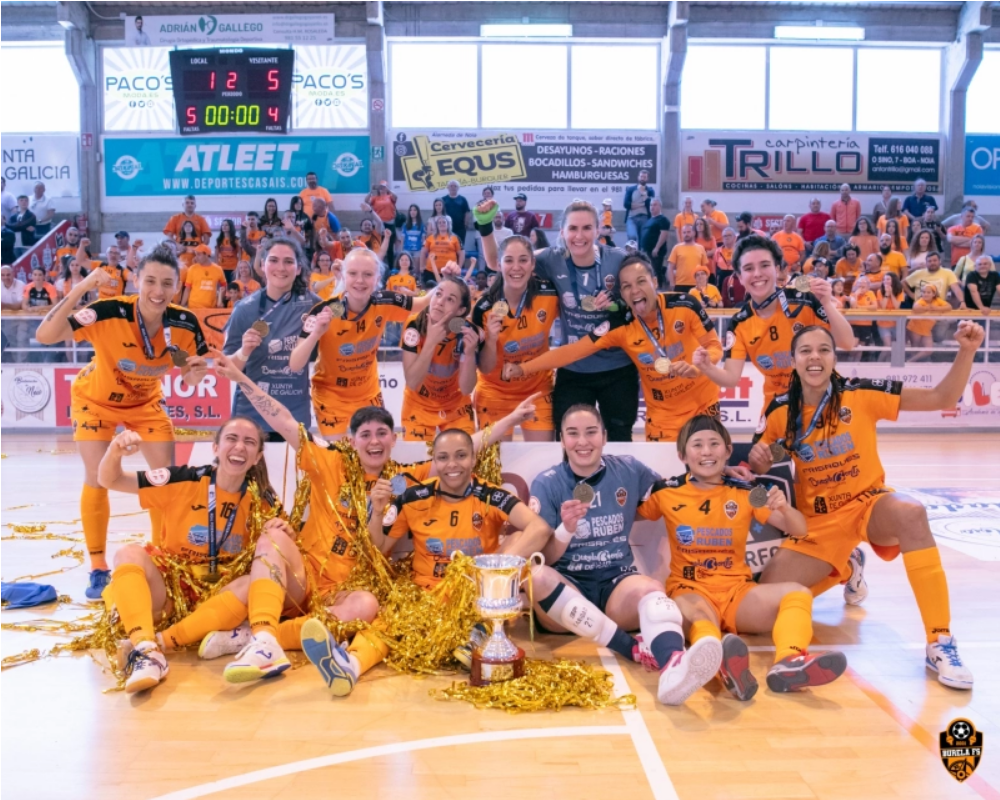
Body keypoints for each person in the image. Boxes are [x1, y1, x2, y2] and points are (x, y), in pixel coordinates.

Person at [750, 322, 985, 689]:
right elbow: (765, 463)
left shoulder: (861, 393)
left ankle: (939, 640)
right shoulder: (780, 411)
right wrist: (761, 457)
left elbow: (941, 398)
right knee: (767, 609)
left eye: (824, 350)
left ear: (834, 357)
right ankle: (846, 566)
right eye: (806, 351)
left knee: (911, 513)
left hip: (866, 505)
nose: (815, 357)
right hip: (818, 524)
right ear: (793, 360)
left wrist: (967, 351)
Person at [34, 245, 210, 599]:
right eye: (150, 281)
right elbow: (45, 336)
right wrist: (82, 287)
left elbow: (192, 379)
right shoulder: (106, 312)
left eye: (166, 283)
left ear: (177, 286)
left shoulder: (185, 323)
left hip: (145, 403)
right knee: (97, 478)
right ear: (137, 281)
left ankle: (163, 559)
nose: (157, 291)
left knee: (164, 483)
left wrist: (193, 374)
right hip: (95, 401)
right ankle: (98, 568)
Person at [638, 415, 845, 699]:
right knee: (701, 623)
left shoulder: (747, 492)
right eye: (697, 445)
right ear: (682, 454)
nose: (707, 451)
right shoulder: (666, 491)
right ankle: (720, 663)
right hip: (690, 589)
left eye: (714, 444)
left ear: (727, 450)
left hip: (738, 592)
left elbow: (799, 529)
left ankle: (789, 662)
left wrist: (784, 508)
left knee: (797, 594)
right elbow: (632, 514)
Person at [527, 405, 716, 705]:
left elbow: (675, 490)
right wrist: (566, 529)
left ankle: (674, 667)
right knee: (537, 577)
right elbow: (545, 558)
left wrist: (721, 472)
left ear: (604, 436)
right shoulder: (547, 482)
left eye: (591, 432)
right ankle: (632, 648)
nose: (583, 442)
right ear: (562, 440)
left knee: (653, 590)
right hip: (568, 592)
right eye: (573, 434)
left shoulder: (628, 469)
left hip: (616, 584)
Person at [96, 419, 280, 693]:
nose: (239, 446)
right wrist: (114, 451)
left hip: (220, 595)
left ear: (258, 456)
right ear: (216, 447)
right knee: (128, 553)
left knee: (250, 583)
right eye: (231, 438)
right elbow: (109, 480)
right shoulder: (183, 478)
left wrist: (282, 528)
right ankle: (146, 649)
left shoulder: (263, 501)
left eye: (249, 442)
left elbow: (283, 552)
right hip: (171, 589)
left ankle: (162, 643)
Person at [508, 255, 723, 442]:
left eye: (641, 281)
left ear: (655, 281)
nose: (635, 290)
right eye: (627, 286)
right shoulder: (620, 325)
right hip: (662, 417)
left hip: (702, 404)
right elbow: (572, 351)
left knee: (711, 477)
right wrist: (523, 368)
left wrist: (701, 365)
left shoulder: (685, 304)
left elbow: (714, 347)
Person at [697, 235, 855, 415]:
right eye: (749, 268)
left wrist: (826, 303)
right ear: (740, 277)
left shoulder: (804, 300)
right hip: (777, 409)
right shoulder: (739, 323)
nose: (757, 273)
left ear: (778, 270)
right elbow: (731, 378)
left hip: (821, 404)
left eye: (764, 265)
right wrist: (707, 367)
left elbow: (847, 342)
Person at [528, 199, 638, 441]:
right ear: (562, 232)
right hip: (574, 368)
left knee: (620, 439)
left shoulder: (617, 260)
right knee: (570, 441)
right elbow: (504, 262)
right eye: (573, 229)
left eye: (587, 228)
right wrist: (484, 227)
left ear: (598, 230)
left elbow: (643, 299)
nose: (580, 236)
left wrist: (617, 303)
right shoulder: (551, 258)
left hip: (618, 368)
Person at [291, 249, 432, 437]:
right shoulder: (324, 311)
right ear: (342, 275)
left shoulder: (384, 301)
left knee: (375, 450)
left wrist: (447, 280)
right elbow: (294, 364)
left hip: (368, 394)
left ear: (377, 278)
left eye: (368, 274)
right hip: (331, 397)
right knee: (339, 457)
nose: (360, 281)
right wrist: (315, 334)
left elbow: (422, 303)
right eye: (353, 273)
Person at [473, 224, 560, 441]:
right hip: (494, 391)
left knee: (541, 464)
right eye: (509, 260)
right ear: (499, 265)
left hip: (538, 389)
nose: (516, 267)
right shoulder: (484, 306)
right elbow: (484, 366)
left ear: (532, 264)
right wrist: (491, 340)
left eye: (523, 260)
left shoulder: (550, 294)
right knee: (491, 471)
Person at [400, 276, 479, 441]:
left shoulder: (466, 332)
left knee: (464, 460)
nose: (440, 302)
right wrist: (430, 342)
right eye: (438, 294)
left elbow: (466, 389)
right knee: (419, 465)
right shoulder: (414, 324)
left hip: (455, 406)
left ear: (460, 310)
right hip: (418, 405)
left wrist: (470, 353)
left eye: (450, 299)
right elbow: (413, 382)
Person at [907, 285, 949, 355]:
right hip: (915, 326)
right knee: (915, 346)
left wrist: (936, 308)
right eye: (924, 292)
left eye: (928, 292)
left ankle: (910, 361)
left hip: (927, 328)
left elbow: (949, 307)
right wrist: (928, 308)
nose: (925, 294)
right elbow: (916, 308)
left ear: (934, 294)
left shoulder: (938, 300)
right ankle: (911, 364)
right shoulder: (920, 300)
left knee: (928, 350)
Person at [422, 215, 464, 285]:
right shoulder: (430, 238)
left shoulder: (455, 237)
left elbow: (461, 253)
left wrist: (459, 267)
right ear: (437, 226)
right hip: (430, 271)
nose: (442, 224)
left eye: (444, 222)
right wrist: (422, 266)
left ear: (448, 225)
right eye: (439, 223)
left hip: (449, 272)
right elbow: (423, 252)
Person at [181, 245, 227, 309]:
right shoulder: (192, 269)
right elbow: (187, 290)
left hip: (211, 308)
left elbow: (224, 286)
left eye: (199, 255)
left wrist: (220, 300)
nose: (196, 257)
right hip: (194, 307)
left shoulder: (218, 269)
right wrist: (182, 305)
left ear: (206, 255)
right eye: (196, 254)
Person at [667, 224, 710, 293]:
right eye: (684, 232)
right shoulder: (677, 248)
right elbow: (670, 267)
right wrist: (672, 283)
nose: (686, 234)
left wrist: (704, 282)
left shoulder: (700, 248)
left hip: (697, 284)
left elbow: (704, 268)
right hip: (680, 284)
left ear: (693, 233)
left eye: (688, 232)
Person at [875, 273, 905, 359]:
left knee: (894, 347)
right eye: (884, 279)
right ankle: (878, 364)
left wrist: (891, 293)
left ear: (893, 280)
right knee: (887, 346)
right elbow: (883, 306)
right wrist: (887, 294)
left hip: (896, 323)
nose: (885, 281)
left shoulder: (899, 291)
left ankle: (889, 364)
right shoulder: (879, 291)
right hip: (883, 323)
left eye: (888, 279)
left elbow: (896, 306)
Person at [642, 198, 671, 284]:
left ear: (660, 206)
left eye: (655, 205)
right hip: (646, 250)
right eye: (651, 205)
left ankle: (659, 288)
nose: (652, 207)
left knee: (656, 270)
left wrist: (657, 248)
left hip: (656, 251)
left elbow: (664, 234)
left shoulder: (663, 220)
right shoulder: (650, 220)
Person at [623, 170, 654, 245]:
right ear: (638, 177)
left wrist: (643, 194)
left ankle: (640, 256)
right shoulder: (630, 189)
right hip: (632, 218)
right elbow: (626, 204)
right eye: (641, 176)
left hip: (645, 218)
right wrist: (641, 204)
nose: (642, 178)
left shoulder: (650, 191)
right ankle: (631, 256)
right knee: (632, 237)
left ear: (647, 179)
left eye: (644, 177)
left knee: (643, 240)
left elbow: (650, 204)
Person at [441, 181, 471, 251]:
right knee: (447, 246)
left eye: (455, 186)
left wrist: (465, 224)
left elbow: (467, 212)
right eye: (451, 186)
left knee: (459, 247)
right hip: (446, 228)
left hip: (460, 228)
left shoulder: (463, 199)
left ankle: (459, 262)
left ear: (458, 188)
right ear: (448, 188)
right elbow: (440, 212)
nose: (453, 187)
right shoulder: (443, 199)